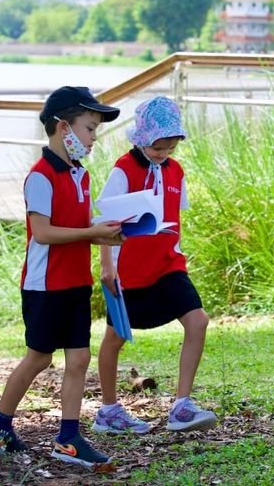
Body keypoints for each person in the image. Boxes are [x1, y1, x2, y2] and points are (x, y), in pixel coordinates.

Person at [0, 86, 123, 470]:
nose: (92, 139)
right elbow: (43, 232)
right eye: (89, 129)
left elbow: (76, 225)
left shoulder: (81, 176)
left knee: (79, 358)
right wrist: (93, 234)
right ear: (63, 127)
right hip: (45, 285)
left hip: (75, 282)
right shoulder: (40, 177)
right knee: (39, 357)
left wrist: (105, 230)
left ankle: (68, 438)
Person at [92, 96, 217, 434]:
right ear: (142, 138)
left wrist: (176, 250)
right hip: (128, 270)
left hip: (168, 265)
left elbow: (174, 216)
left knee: (198, 321)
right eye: (158, 146)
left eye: (170, 147)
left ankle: (182, 406)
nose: (163, 153)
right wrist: (107, 267)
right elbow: (107, 220)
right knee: (115, 339)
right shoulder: (124, 169)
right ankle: (108, 410)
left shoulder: (176, 170)